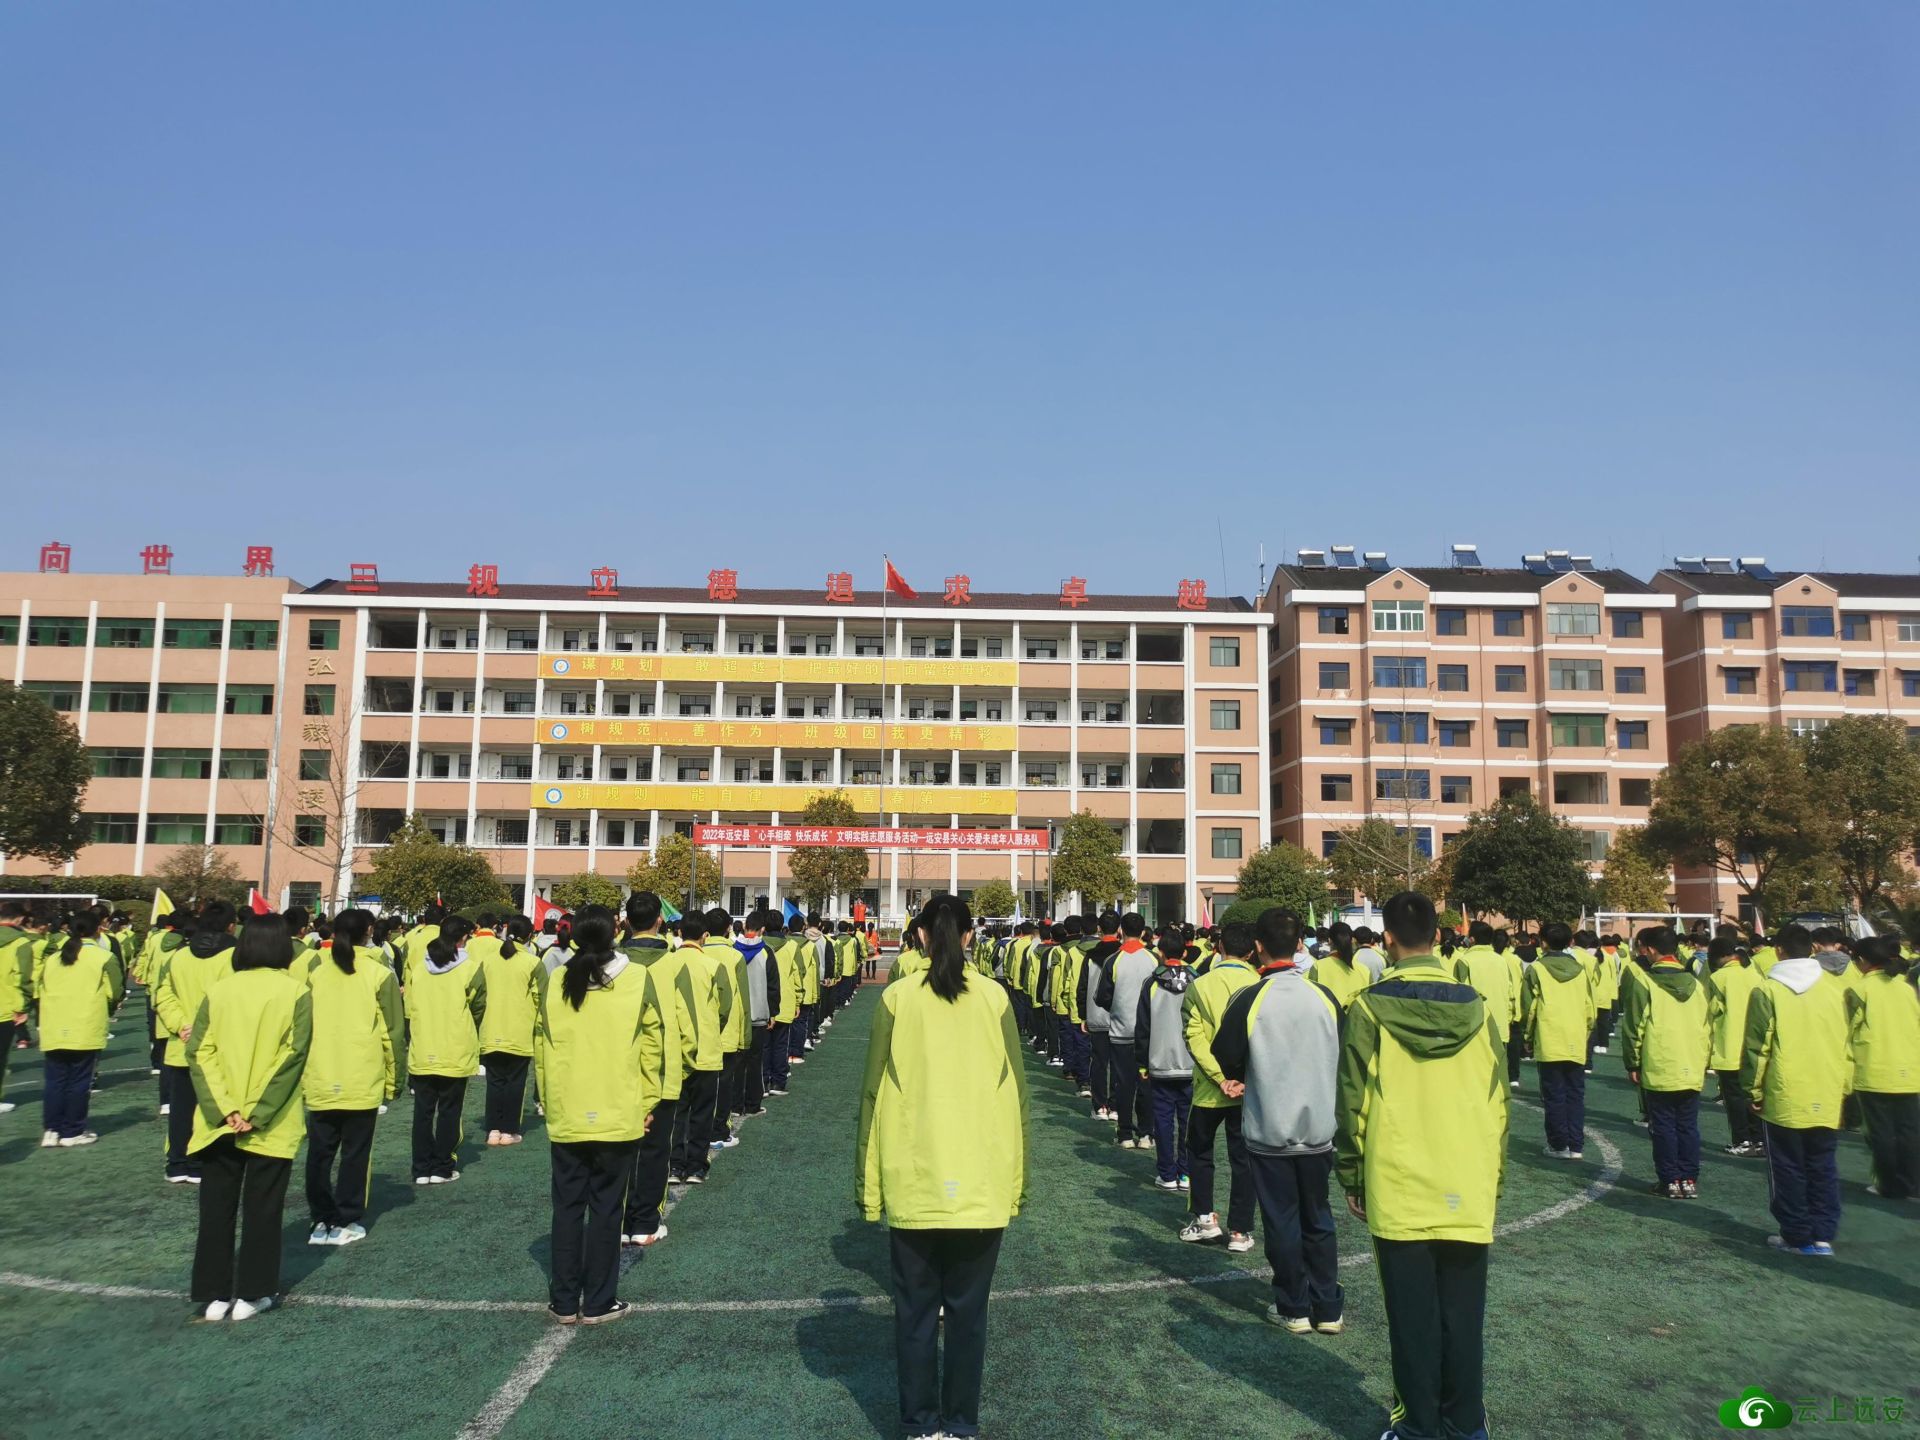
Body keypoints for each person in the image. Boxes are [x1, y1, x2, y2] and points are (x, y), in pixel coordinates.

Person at [1336, 892, 1507, 1440]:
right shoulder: (1478, 1007)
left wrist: (1351, 1174)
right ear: (1438, 936)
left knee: (1411, 1319)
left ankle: (1418, 1427)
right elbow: (1500, 1101)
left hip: (1399, 1180)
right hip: (1466, 1178)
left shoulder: (1368, 1007)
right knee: (1464, 1315)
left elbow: (1352, 1103)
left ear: (1386, 939)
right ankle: (1466, 1423)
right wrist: (1493, 1176)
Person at [858, 895, 1027, 1440]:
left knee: (913, 1313)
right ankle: (959, 1424)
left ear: (921, 937)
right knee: (968, 1316)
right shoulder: (995, 997)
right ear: (970, 936)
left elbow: (871, 1095)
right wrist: (1016, 1184)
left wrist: (869, 1190)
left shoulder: (898, 997)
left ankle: (918, 1425)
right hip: (981, 1182)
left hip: (914, 1180)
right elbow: (1018, 1096)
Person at [1213, 907, 1344, 1333]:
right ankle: (1328, 1307)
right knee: (1318, 1218)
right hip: (1318, 1127)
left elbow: (1226, 1056)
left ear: (1257, 947)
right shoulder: (1323, 997)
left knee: (1282, 1220)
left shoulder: (1251, 998)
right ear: (1301, 944)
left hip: (1270, 1127)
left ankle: (1293, 1305)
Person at [535, 907, 668, 1325]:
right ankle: (598, 1301)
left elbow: (542, 1045)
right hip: (618, 1110)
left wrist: (548, 1099)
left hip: (569, 1110)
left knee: (567, 1208)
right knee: (608, 1209)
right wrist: (649, 1101)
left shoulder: (557, 978)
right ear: (616, 931)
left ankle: (563, 1300)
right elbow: (653, 1044)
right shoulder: (637, 977)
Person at [186, 913, 312, 1322]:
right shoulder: (296, 992)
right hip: (269, 1122)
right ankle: (253, 1293)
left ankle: (214, 1294)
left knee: (216, 1210)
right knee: (263, 1209)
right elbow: (293, 1056)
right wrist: (256, 1111)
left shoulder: (219, 990)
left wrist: (224, 1108)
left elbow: (199, 1052)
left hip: (217, 1121)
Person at [1740, 923, 1853, 1257]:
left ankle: (1796, 1235)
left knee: (1788, 1167)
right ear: (1812, 949)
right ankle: (1822, 1235)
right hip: (1827, 1088)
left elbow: (1757, 1048)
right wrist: (1844, 1086)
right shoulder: (1833, 989)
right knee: (1823, 1165)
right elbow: (1847, 1043)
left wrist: (1753, 1090)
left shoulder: (1768, 990)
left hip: (1785, 1092)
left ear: (1779, 951)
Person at [302, 908, 402, 1245]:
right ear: (369, 931)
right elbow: (392, 1032)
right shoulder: (379, 973)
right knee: (355, 1153)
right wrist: (395, 1080)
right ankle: (345, 1218)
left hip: (321, 1073)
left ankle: (321, 1219)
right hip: (361, 1074)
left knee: (320, 1153)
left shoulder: (316, 971)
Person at [619, 891, 693, 1246]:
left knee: (618, 1151)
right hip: (663, 1070)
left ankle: (619, 1220)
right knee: (655, 1150)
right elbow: (687, 1019)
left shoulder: (613, 961)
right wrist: (686, 1060)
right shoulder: (674, 963)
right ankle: (645, 1221)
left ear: (627, 921)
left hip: (618, 1069)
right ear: (660, 920)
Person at [1180, 919, 1259, 1252]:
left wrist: (1219, 1077)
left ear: (1219, 946)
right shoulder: (1260, 984)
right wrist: (1242, 1079)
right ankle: (1240, 1230)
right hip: (1249, 1088)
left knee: (1200, 1152)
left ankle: (1205, 1220)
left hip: (1210, 1089)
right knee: (1244, 1157)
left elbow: (1194, 1036)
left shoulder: (1200, 984)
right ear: (1253, 951)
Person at [1620, 926, 1710, 1199]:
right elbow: (1707, 1026)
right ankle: (1689, 1179)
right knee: (1688, 1125)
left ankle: (1669, 1179)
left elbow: (1634, 1027)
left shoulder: (1645, 982)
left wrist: (1633, 1063)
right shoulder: (1696, 984)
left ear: (1650, 949)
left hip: (1659, 1063)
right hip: (1691, 1063)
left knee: (1663, 1127)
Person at [154, 902, 238, 1181]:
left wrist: (181, 1025)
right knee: (214, 1105)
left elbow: (163, 995)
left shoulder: (179, 957)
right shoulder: (233, 957)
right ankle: (200, 1161)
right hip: (218, 1047)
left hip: (183, 1044)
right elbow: (232, 1001)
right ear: (231, 926)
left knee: (181, 1107)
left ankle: (177, 1162)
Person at [406, 916, 486, 1184]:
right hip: (455, 1048)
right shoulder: (470, 968)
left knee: (423, 1113)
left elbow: (411, 1006)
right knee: (450, 1112)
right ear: (463, 938)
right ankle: (442, 1167)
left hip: (423, 1047)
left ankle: (421, 1168)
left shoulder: (420, 968)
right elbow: (479, 1006)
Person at [35, 909, 124, 1147]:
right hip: (85, 1024)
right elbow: (115, 990)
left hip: (53, 1024)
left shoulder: (53, 958)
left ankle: (52, 1130)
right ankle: (72, 1130)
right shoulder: (103, 957)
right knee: (79, 1081)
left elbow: (40, 987)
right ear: (98, 930)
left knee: (55, 1080)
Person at [1849, 935, 1918, 1201]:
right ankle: (1913, 1184)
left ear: (1862, 961)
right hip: (1909, 1069)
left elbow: (1847, 1030)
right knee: (1909, 1131)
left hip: (1874, 1069)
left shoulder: (1859, 989)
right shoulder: (1906, 988)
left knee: (1881, 1133)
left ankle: (1889, 1185)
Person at [1524, 921, 1596, 1161]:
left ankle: (1558, 1145)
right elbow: (1589, 1009)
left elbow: (1530, 1008)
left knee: (1554, 1095)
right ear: (1570, 942)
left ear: (1543, 942)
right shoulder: (1581, 969)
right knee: (1575, 1094)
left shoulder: (1536, 969)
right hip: (1575, 1038)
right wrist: (1585, 1033)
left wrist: (1527, 1036)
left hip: (1549, 1038)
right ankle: (1576, 1145)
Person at [1134, 930, 1197, 1192]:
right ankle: (1186, 1173)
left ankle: (1167, 1174)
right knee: (1189, 1122)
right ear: (1185, 952)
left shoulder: (1152, 983)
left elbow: (1143, 1026)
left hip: (1159, 1061)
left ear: (1160, 953)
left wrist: (1142, 1062)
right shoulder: (1197, 980)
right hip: (1191, 1062)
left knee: (1162, 1120)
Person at [668, 912, 728, 1185]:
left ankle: (674, 1165)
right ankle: (695, 1166)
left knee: (676, 1112)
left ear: (679, 932)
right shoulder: (714, 966)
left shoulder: (665, 963)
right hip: (706, 1048)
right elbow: (725, 1008)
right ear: (705, 935)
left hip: (674, 1049)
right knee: (703, 1112)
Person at [477, 916, 541, 1146]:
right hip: (519, 1032)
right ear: (530, 936)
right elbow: (540, 998)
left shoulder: (488, 961)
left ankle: (493, 1129)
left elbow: (478, 995)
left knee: (495, 1082)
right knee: (515, 1082)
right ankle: (509, 1130)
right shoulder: (532, 962)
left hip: (490, 1029)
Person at [1096, 912, 1158, 1148]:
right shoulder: (1153, 959)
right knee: (1146, 1084)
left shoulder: (1114, 960)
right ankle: (1146, 1134)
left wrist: (1118, 1008)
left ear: (1121, 931)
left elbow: (1102, 997)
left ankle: (1124, 1134)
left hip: (1121, 1032)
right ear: (1143, 932)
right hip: (1150, 1034)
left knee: (1123, 1084)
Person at [1702, 934, 1765, 1157]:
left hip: (1729, 1046)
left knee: (1734, 1099)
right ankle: (1760, 1140)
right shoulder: (1755, 975)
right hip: (1756, 1047)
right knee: (1754, 1097)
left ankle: (1742, 1140)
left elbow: (1712, 1010)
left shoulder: (1718, 978)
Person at [1311, 921, 1383, 1011]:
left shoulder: (1318, 966)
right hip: (1355, 1018)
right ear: (1352, 940)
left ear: (1329, 940)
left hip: (1329, 1017)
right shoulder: (1364, 970)